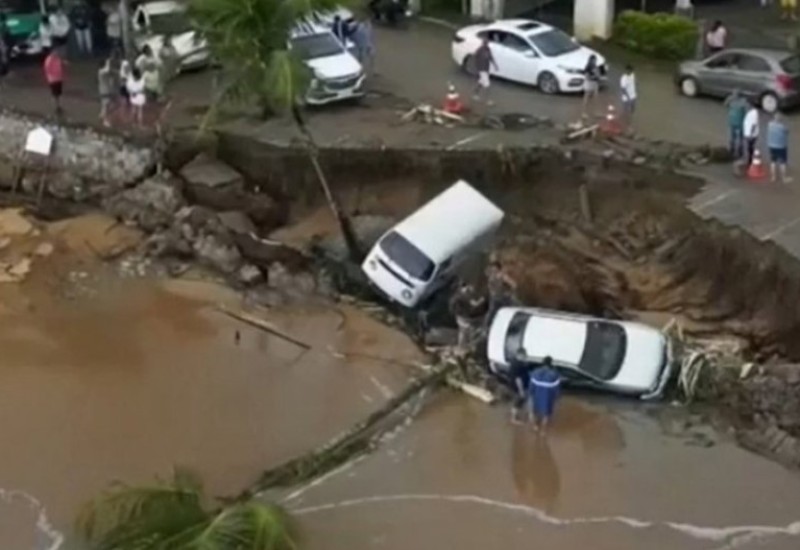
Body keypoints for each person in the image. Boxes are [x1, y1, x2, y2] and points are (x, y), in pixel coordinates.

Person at [449, 282, 486, 358]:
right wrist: (482, 299)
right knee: (470, 332)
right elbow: (474, 305)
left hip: (462, 320)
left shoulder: (456, 299)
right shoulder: (462, 299)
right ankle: (464, 349)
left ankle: (461, 350)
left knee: (463, 332)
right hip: (469, 320)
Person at [528, 356, 561, 434]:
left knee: (533, 412)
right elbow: (556, 389)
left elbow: (531, 386)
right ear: (551, 364)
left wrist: (530, 395)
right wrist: (557, 398)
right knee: (546, 415)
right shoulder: (554, 375)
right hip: (547, 398)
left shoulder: (535, 372)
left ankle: (535, 426)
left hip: (535, 397)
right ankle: (543, 431)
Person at [484, 259, 515, 327]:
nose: (493, 270)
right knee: (491, 314)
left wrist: (509, 293)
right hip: (494, 298)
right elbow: (486, 272)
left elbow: (513, 285)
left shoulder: (501, 276)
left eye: (494, 269)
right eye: (492, 269)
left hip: (503, 298)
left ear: (498, 269)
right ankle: (487, 327)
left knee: (510, 310)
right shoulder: (491, 274)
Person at [509, 348, 533, 424]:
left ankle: (526, 415)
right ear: (520, 355)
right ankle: (513, 419)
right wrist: (521, 390)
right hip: (518, 387)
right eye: (524, 355)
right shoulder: (517, 365)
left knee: (522, 401)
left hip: (518, 386)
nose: (525, 356)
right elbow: (518, 379)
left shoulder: (516, 361)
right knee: (518, 402)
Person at [472, 35, 497, 105]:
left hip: (486, 69)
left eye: (487, 43)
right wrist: (476, 68)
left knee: (480, 83)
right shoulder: (479, 50)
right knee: (487, 85)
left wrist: (495, 65)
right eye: (485, 43)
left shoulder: (488, 49)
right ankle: (488, 100)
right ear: (483, 43)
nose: (486, 44)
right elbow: (475, 58)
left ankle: (475, 94)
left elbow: (491, 57)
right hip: (482, 69)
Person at [724, 90, 748, 159]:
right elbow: (725, 104)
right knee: (733, 137)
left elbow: (747, 111)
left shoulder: (743, 102)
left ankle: (739, 151)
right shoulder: (731, 99)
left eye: (735, 95)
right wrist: (729, 99)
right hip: (732, 122)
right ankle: (733, 150)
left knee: (739, 138)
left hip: (739, 123)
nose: (734, 96)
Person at [767, 113, 791, 183]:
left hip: (771, 146)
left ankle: (773, 177)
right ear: (780, 119)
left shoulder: (770, 125)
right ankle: (784, 178)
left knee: (773, 162)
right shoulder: (782, 127)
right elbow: (787, 131)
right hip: (781, 147)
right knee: (782, 162)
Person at [43, 47, 65, 115]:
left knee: (59, 94)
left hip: (59, 78)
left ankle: (59, 106)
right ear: (52, 52)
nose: (57, 53)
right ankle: (56, 107)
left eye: (57, 52)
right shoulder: (49, 60)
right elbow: (47, 69)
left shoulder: (57, 58)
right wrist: (53, 75)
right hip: (53, 80)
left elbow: (60, 65)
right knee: (54, 94)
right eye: (55, 51)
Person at [743, 101, 760, 168]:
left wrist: (750, 134)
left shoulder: (754, 113)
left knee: (750, 149)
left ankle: (750, 162)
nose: (746, 106)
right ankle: (750, 161)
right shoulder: (751, 112)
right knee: (749, 148)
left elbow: (753, 125)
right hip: (749, 134)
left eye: (748, 105)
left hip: (751, 135)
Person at [98, 57, 115, 126]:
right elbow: (107, 70)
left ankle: (102, 115)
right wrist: (108, 62)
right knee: (106, 106)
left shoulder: (102, 72)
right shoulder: (101, 71)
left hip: (105, 90)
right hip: (104, 91)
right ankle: (105, 120)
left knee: (105, 105)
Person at [619, 64, 636, 130]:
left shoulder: (633, 75)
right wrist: (628, 98)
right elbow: (623, 89)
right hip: (626, 98)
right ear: (626, 70)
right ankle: (627, 125)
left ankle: (627, 121)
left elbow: (633, 83)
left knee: (632, 109)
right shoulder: (624, 78)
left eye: (631, 71)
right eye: (628, 71)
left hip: (633, 95)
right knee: (627, 111)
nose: (630, 72)